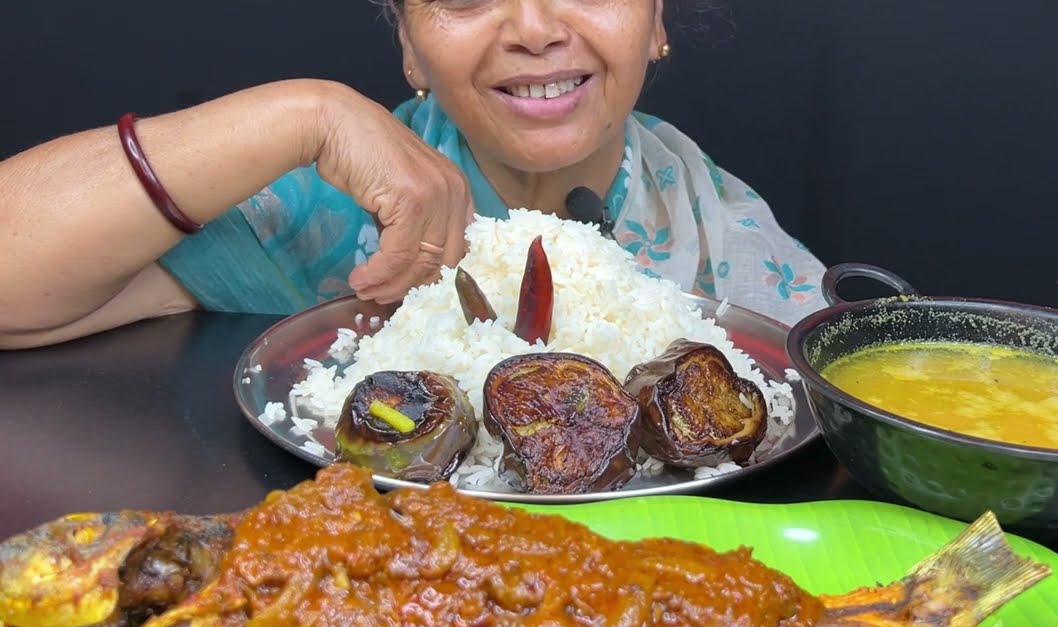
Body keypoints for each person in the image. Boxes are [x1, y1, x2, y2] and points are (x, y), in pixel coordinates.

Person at [0, 1, 828, 351]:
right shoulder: (312, 211)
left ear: (657, 23)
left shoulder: (720, 220)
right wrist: (305, 115)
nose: (534, 29)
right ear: (409, 46)